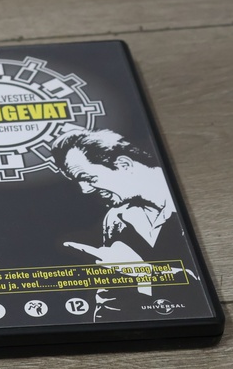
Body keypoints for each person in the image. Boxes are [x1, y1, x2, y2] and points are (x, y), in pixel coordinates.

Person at [50, 128, 191, 318]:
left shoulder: (193, 202)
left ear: (124, 164)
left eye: (88, 178)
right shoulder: (116, 218)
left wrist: (144, 273)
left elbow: (199, 295)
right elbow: (116, 307)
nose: (85, 190)